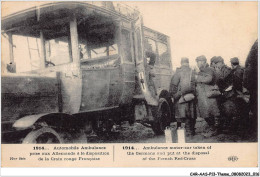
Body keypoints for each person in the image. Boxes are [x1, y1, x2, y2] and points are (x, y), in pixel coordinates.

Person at [169, 57, 196, 137]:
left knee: (183, 114)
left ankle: (188, 132)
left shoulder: (178, 72)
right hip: (191, 96)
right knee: (192, 114)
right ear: (188, 63)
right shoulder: (192, 72)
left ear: (181, 63)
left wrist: (173, 95)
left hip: (181, 97)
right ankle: (192, 130)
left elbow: (173, 86)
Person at [195, 55, 221, 135]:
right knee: (207, 113)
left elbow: (208, 79)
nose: (198, 64)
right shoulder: (203, 70)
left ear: (203, 61)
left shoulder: (208, 69)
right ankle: (212, 128)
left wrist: (197, 78)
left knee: (211, 113)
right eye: (197, 62)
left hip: (208, 95)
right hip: (204, 95)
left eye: (199, 62)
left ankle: (214, 130)